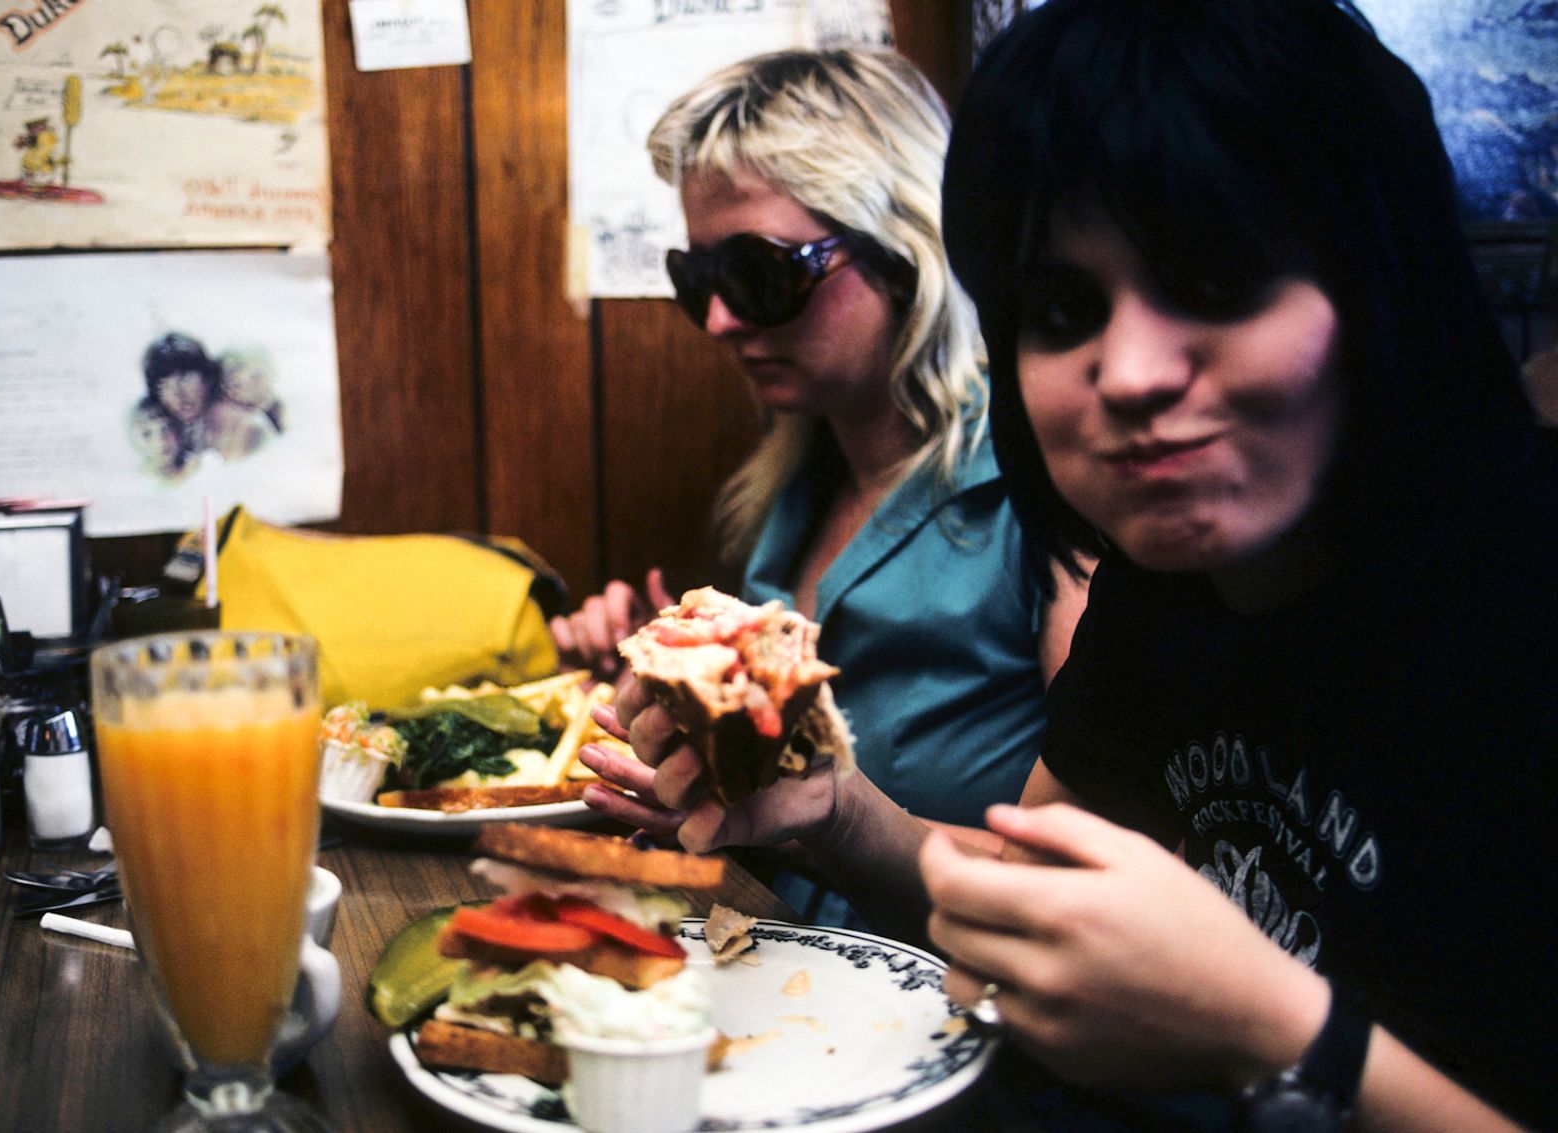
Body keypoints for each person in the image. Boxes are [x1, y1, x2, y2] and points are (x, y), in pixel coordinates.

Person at [582, 2, 1558, 1129]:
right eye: (1060, 308)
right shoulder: (1169, 585)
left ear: (1382, 274)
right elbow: (1035, 906)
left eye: (1215, 275)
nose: (1131, 372)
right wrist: (829, 811)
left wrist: (1280, 1031)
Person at [562, 49, 1089, 926]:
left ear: (906, 245)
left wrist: (841, 821)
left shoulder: (1051, 484)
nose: (723, 319)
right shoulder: (792, 485)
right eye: (700, 281)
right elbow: (780, 802)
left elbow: (1092, 890)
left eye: (763, 274)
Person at [142, 331, 275, 463]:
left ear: (207, 377)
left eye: (184, 379)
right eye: (163, 386)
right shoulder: (187, 435)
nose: (178, 395)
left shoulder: (246, 427)